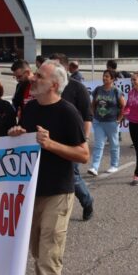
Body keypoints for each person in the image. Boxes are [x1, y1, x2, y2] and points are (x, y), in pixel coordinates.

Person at [8, 60, 88, 275]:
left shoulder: (68, 113)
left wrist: (50, 143)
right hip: (32, 193)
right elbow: (25, 140)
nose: (33, 79)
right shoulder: (30, 109)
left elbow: (83, 154)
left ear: (54, 84)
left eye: (39, 76)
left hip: (58, 193)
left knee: (48, 259)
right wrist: (17, 134)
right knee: (39, 255)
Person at [49, 53, 94, 221]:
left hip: (71, 143)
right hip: (48, 142)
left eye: (56, 66)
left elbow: (87, 116)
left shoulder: (77, 88)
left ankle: (87, 201)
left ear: (66, 68)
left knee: (72, 177)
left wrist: (84, 141)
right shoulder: (47, 86)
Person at [88, 70, 124, 175]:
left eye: (107, 77)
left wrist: (119, 119)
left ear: (112, 79)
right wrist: (93, 115)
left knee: (114, 145)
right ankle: (94, 167)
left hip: (112, 122)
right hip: (98, 122)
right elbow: (93, 104)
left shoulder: (116, 91)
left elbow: (124, 106)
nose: (104, 78)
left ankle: (114, 165)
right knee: (98, 145)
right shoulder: (98, 90)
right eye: (104, 76)